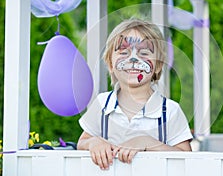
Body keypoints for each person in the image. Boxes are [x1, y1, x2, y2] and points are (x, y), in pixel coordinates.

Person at [77, 18, 193, 170]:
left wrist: (148, 143)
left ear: (157, 66)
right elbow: (82, 142)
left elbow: (187, 157)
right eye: (124, 52)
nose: (133, 59)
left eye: (144, 53)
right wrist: (94, 142)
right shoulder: (102, 104)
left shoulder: (170, 111)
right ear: (111, 64)